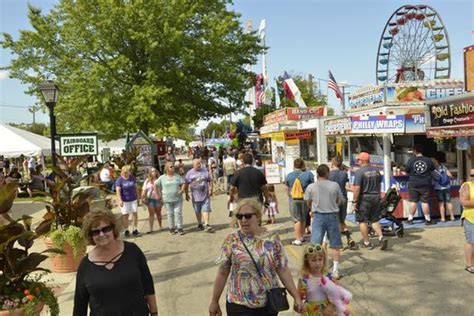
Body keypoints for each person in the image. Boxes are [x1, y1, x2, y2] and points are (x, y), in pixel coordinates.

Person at [209, 198, 304, 316]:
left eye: (248, 216)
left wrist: (296, 296)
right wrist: (214, 301)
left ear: (258, 217)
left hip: (268, 304)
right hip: (238, 303)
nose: (243, 220)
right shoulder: (231, 240)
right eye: (240, 216)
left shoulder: (272, 239)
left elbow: (282, 269)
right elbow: (223, 272)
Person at [73, 208, 158, 315]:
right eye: (96, 231)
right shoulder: (85, 266)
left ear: (113, 229)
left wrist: (154, 313)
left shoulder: (132, 251)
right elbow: (80, 305)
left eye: (106, 229)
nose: (101, 234)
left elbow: (148, 285)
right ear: (90, 235)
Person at [304, 164, 344, 279]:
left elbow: (308, 201)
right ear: (328, 173)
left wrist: (312, 209)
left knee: (316, 244)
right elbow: (339, 200)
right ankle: (335, 270)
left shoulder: (311, 187)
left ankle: (316, 268)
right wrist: (333, 205)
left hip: (318, 216)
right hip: (332, 215)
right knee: (335, 244)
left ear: (317, 174)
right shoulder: (335, 185)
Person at [352, 152, 388, 250]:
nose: (357, 161)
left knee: (362, 221)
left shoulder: (359, 172)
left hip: (364, 198)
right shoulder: (376, 171)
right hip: (375, 196)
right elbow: (379, 184)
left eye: (358, 160)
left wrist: (354, 201)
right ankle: (381, 236)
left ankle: (367, 242)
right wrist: (379, 195)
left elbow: (357, 188)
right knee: (374, 220)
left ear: (363, 160)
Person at [298, 243, 339, 316]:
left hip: (327, 312)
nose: (317, 263)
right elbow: (299, 298)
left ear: (324, 259)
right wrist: (300, 306)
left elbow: (337, 294)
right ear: (307, 261)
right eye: (313, 260)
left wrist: (332, 306)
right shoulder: (304, 279)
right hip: (310, 312)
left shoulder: (329, 277)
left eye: (320, 259)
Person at [286, 158, 314, 246]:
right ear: (303, 165)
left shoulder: (289, 175)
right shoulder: (308, 174)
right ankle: (302, 236)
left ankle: (298, 239)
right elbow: (312, 186)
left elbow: (287, 189)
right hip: (305, 199)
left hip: (293, 199)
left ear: (294, 165)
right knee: (303, 218)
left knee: (297, 219)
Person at [405, 144, 436, 225]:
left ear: (414, 151)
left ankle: (410, 219)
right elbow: (433, 169)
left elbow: (407, 170)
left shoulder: (411, 160)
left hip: (413, 183)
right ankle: (428, 220)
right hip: (425, 183)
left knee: (413, 201)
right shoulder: (428, 160)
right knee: (425, 202)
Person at [329, 157, 356, 249]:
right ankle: (349, 238)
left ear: (332, 163)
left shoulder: (329, 174)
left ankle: (336, 243)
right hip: (343, 198)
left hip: (333, 200)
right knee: (341, 221)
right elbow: (347, 186)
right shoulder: (344, 174)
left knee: (333, 222)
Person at [156, 162, 186, 235]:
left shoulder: (177, 176)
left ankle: (179, 227)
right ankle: (171, 228)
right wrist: (158, 195)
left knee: (178, 213)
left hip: (177, 199)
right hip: (167, 199)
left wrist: (182, 190)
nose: (173, 168)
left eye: (173, 166)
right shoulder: (162, 178)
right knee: (170, 214)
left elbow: (183, 183)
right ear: (167, 168)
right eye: (171, 167)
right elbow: (156, 185)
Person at [184, 159, 214, 232]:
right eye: (197, 164)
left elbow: (210, 180)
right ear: (193, 165)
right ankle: (200, 223)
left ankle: (206, 224)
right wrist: (186, 194)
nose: (199, 165)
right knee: (197, 210)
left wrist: (210, 189)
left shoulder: (205, 171)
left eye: (200, 163)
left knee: (206, 209)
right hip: (195, 196)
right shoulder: (189, 173)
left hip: (205, 195)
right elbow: (186, 183)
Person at [115, 165, 140, 237]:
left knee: (135, 213)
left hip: (133, 199)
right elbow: (118, 191)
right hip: (125, 200)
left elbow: (136, 187)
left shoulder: (132, 177)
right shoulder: (119, 180)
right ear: (125, 172)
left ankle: (135, 229)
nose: (130, 172)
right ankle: (126, 229)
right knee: (125, 215)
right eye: (129, 171)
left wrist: (138, 197)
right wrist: (120, 200)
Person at [431, 157, 454, 222]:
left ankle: (443, 218)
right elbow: (450, 175)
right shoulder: (443, 167)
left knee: (441, 203)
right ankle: (452, 217)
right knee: (449, 202)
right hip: (447, 187)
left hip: (438, 188)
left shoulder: (432, 170)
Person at [459, 179, 474, 274]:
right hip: (471, 219)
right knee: (472, 242)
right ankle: (470, 265)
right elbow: (464, 202)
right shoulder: (467, 186)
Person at [141, 167, 163, 233]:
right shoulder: (147, 181)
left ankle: (160, 225)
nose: (154, 172)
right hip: (150, 199)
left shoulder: (159, 180)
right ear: (150, 173)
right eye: (152, 171)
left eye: (155, 171)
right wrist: (142, 198)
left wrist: (162, 198)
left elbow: (163, 189)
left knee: (158, 213)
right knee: (151, 213)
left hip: (158, 199)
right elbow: (144, 190)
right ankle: (151, 228)